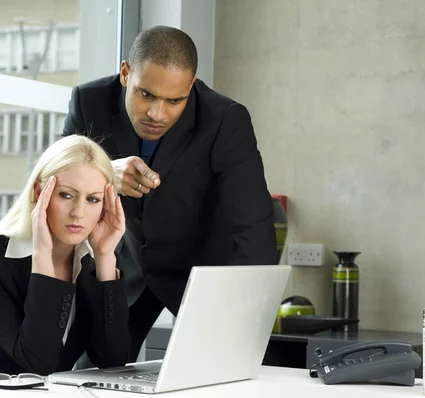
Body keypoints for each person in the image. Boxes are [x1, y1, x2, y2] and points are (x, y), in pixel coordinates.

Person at [63, 25, 278, 363]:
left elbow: (253, 226)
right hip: (127, 267)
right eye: (146, 94)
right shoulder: (89, 102)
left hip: (203, 273)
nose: (157, 114)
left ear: (191, 88)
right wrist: (101, 172)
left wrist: (246, 318)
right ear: (125, 73)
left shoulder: (225, 120)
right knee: (88, 374)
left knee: (215, 377)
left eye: (174, 100)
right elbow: (52, 186)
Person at [0, 135, 131, 383]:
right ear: (39, 192)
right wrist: (43, 257)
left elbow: (113, 360)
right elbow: (36, 362)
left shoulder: (91, 260)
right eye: (67, 195)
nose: (79, 213)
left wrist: (104, 256)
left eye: (93, 199)